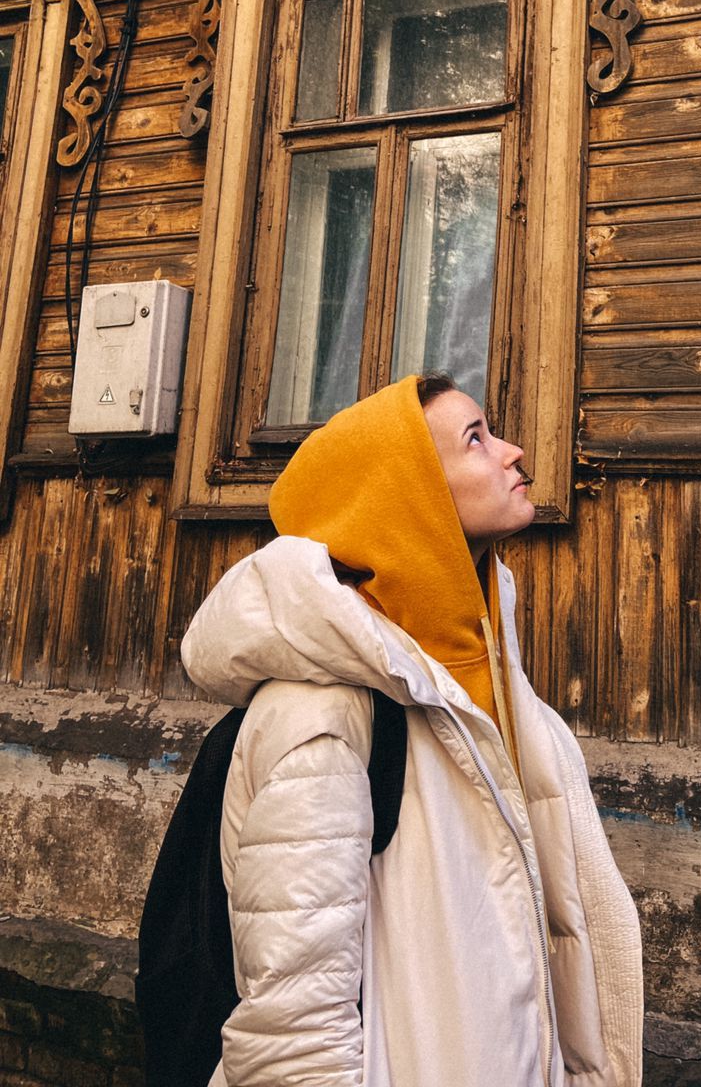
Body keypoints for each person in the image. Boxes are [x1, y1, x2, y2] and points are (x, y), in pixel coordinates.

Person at [181, 373, 643, 1087]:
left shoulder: (493, 690)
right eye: (476, 439)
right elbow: (293, 1035)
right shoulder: (320, 716)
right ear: (408, 497)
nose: (514, 452)